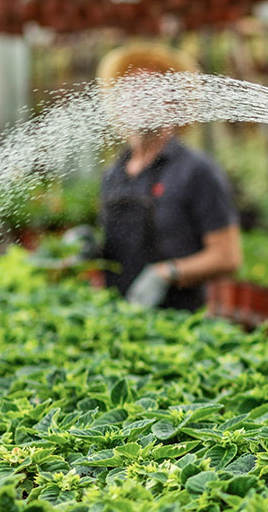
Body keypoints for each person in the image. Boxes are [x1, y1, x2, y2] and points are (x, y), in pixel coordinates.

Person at [93, 43, 241, 311]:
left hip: (178, 323)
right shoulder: (114, 173)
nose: (141, 96)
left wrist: (167, 273)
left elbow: (228, 257)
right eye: (130, 88)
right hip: (117, 314)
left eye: (153, 87)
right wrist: (88, 247)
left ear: (176, 102)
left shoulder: (196, 171)